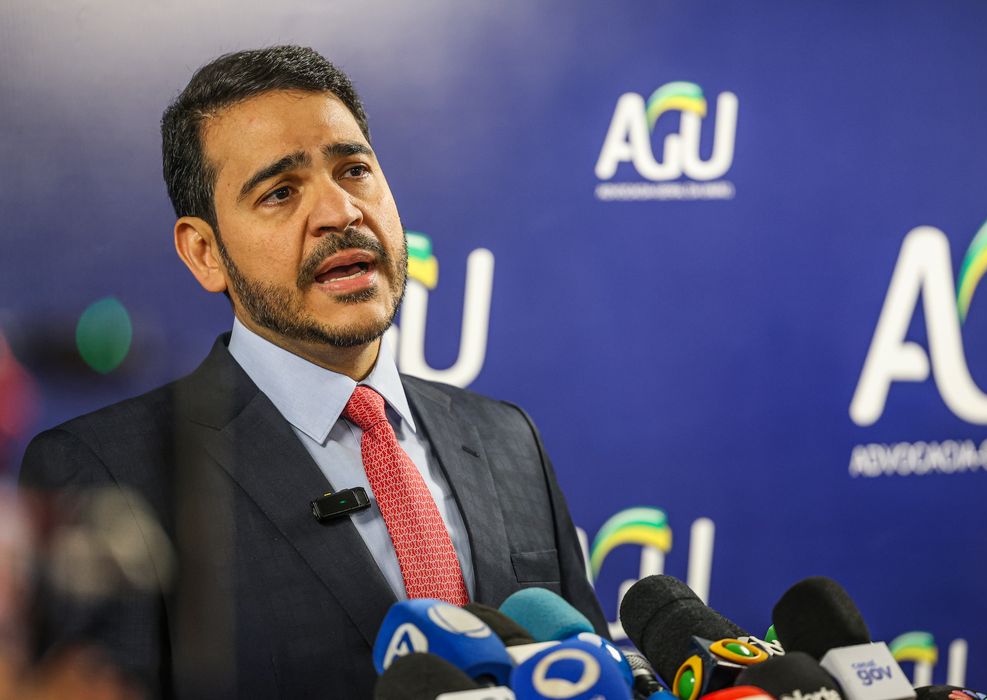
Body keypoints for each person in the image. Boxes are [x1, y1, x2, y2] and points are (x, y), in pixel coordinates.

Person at [19, 45, 605, 699]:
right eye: (280, 192)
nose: (340, 213)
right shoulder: (107, 473)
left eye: (354, 171)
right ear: (205, 252)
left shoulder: (509, 440)